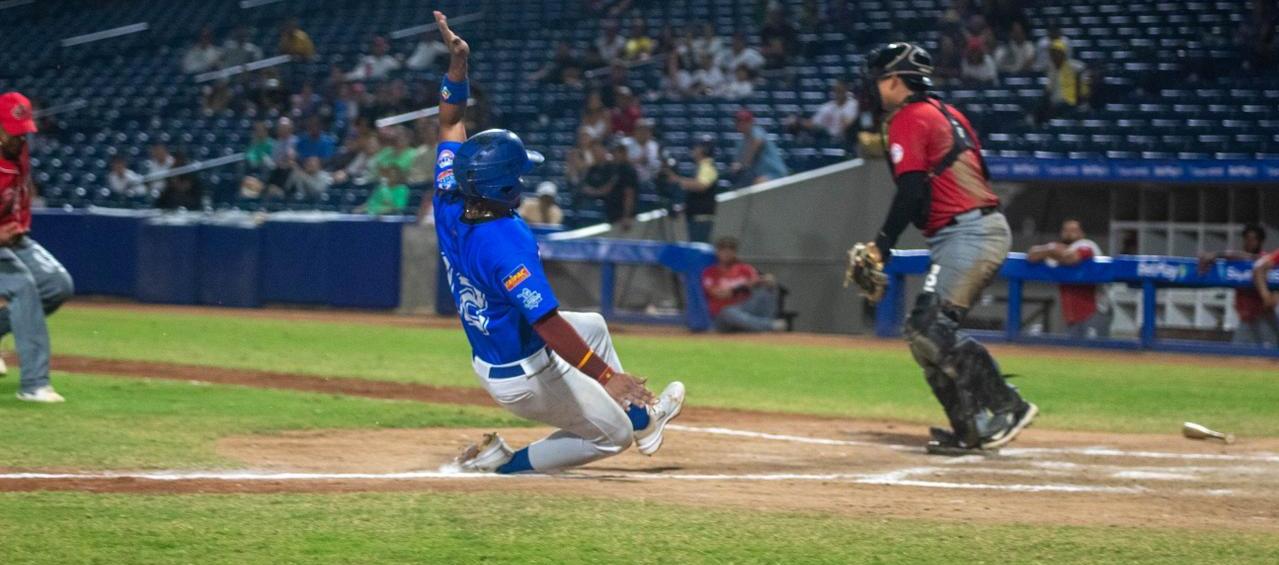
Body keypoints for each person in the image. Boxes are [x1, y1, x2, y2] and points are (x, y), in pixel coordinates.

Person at [428, 12, 684, 474]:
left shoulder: (449, 193)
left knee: (595, 326)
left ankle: (645, 420)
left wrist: (458, 65)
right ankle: (500, 465)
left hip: (499, 349)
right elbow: (546, 322)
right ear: (504, 187)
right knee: (611, 438)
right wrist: (609, 379)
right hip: (523, 372)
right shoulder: (506, 240)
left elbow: (448, 122)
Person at [857, 43, 1036, 452]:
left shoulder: (908, 117)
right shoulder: (949, 113)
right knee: (921, 332)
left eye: (879, 78)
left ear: (896, 80)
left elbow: (911, 191)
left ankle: (1007, 405)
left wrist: (882, 244)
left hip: (968, 233)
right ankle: (970, 428)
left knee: (930, 329)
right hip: (970, 231)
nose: (873, 86)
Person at [0, 93, 75, 402]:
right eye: (12, 130)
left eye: (23, 130)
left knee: (56, 285)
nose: (19, 137)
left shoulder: (18, 151)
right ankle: (34, 385)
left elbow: (21, 192)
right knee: (21, 285)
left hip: (11, 237)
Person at [1027, 220, 1111, 339]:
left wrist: (1050, 250)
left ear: (1082, 233)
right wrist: (1051, 248)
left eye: (1073, 231)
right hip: (1072, 317)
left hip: (1095, 312)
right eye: (1066, 230)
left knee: (1096, 354)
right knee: (1075, 353)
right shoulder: (1056, 251)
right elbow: (1031, 255)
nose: (1069, 233)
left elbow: (1070, 258)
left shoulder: (1087, 244)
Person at [1200, 224, 1278, 347]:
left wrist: (1221, 253)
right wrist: (1214, 255)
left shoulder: (1265, 259)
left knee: (1270, 355)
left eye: (1253, 239)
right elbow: (1238, 256)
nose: (1249, 242)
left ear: (1261, 241)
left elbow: (1254, 259)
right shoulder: (1235, 260)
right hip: (1246, 318)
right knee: (1237, 355)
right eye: (1247, 239)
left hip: (1265, 316)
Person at [702, 237, 785, 332]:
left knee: (769, 289)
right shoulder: (710, 272)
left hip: (744, 308)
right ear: (717, 252)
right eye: (723, 249)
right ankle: (769, 326)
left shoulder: (744, 269)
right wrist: (743, 286)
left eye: (731, 249)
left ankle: (762, 325)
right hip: (722, 315)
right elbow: (720, 294)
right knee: (728, 312)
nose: (727, 252)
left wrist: (767, 279)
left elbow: (758, 281)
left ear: (735, 252)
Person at [667, 139, 719, 243]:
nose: (693, 150)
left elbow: (702, 185)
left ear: (703, 150)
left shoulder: (707, 166)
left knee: (699, 249)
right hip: (695, 217)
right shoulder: (700, 167)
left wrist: (678, 180)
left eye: (696, 147)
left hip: (701, 218)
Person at [582, 142, 638, 228]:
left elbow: (629, 194)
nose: (614, 155)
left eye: (616, 152)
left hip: (623, 218)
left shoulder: (628, 170)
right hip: (613, 214)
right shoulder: (615, 168)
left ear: (623, 153)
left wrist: (626, 216)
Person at [1034, 40, 1088, 124]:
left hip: (1070, 105)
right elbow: (1049, 90)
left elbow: (1083, 92)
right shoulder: (1052, 69)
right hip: (1055, 105)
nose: (1054, 56)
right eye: (1052, 54)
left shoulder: (1075, 66)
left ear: (1063, 54)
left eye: (1056, 53)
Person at [730, 109, 789, 186]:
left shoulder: (757, 131)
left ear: (751, 122)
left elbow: (757, 142)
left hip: (776, 174)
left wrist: (743, 163)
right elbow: (737, 162)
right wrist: (736, 165)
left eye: (744, 122)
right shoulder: (740, 142)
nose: (740, 124)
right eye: (738, 122)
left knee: (758, 184)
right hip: (760, 175)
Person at [790, 79, 859, 142]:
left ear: (846, 90)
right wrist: (798, 121)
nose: (838, 93)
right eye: (836, 90)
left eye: (840, 90)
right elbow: (813, 123)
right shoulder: (827, 107)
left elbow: (847, 124)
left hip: (847, 140)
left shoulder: (853, 104)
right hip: (829, 139)